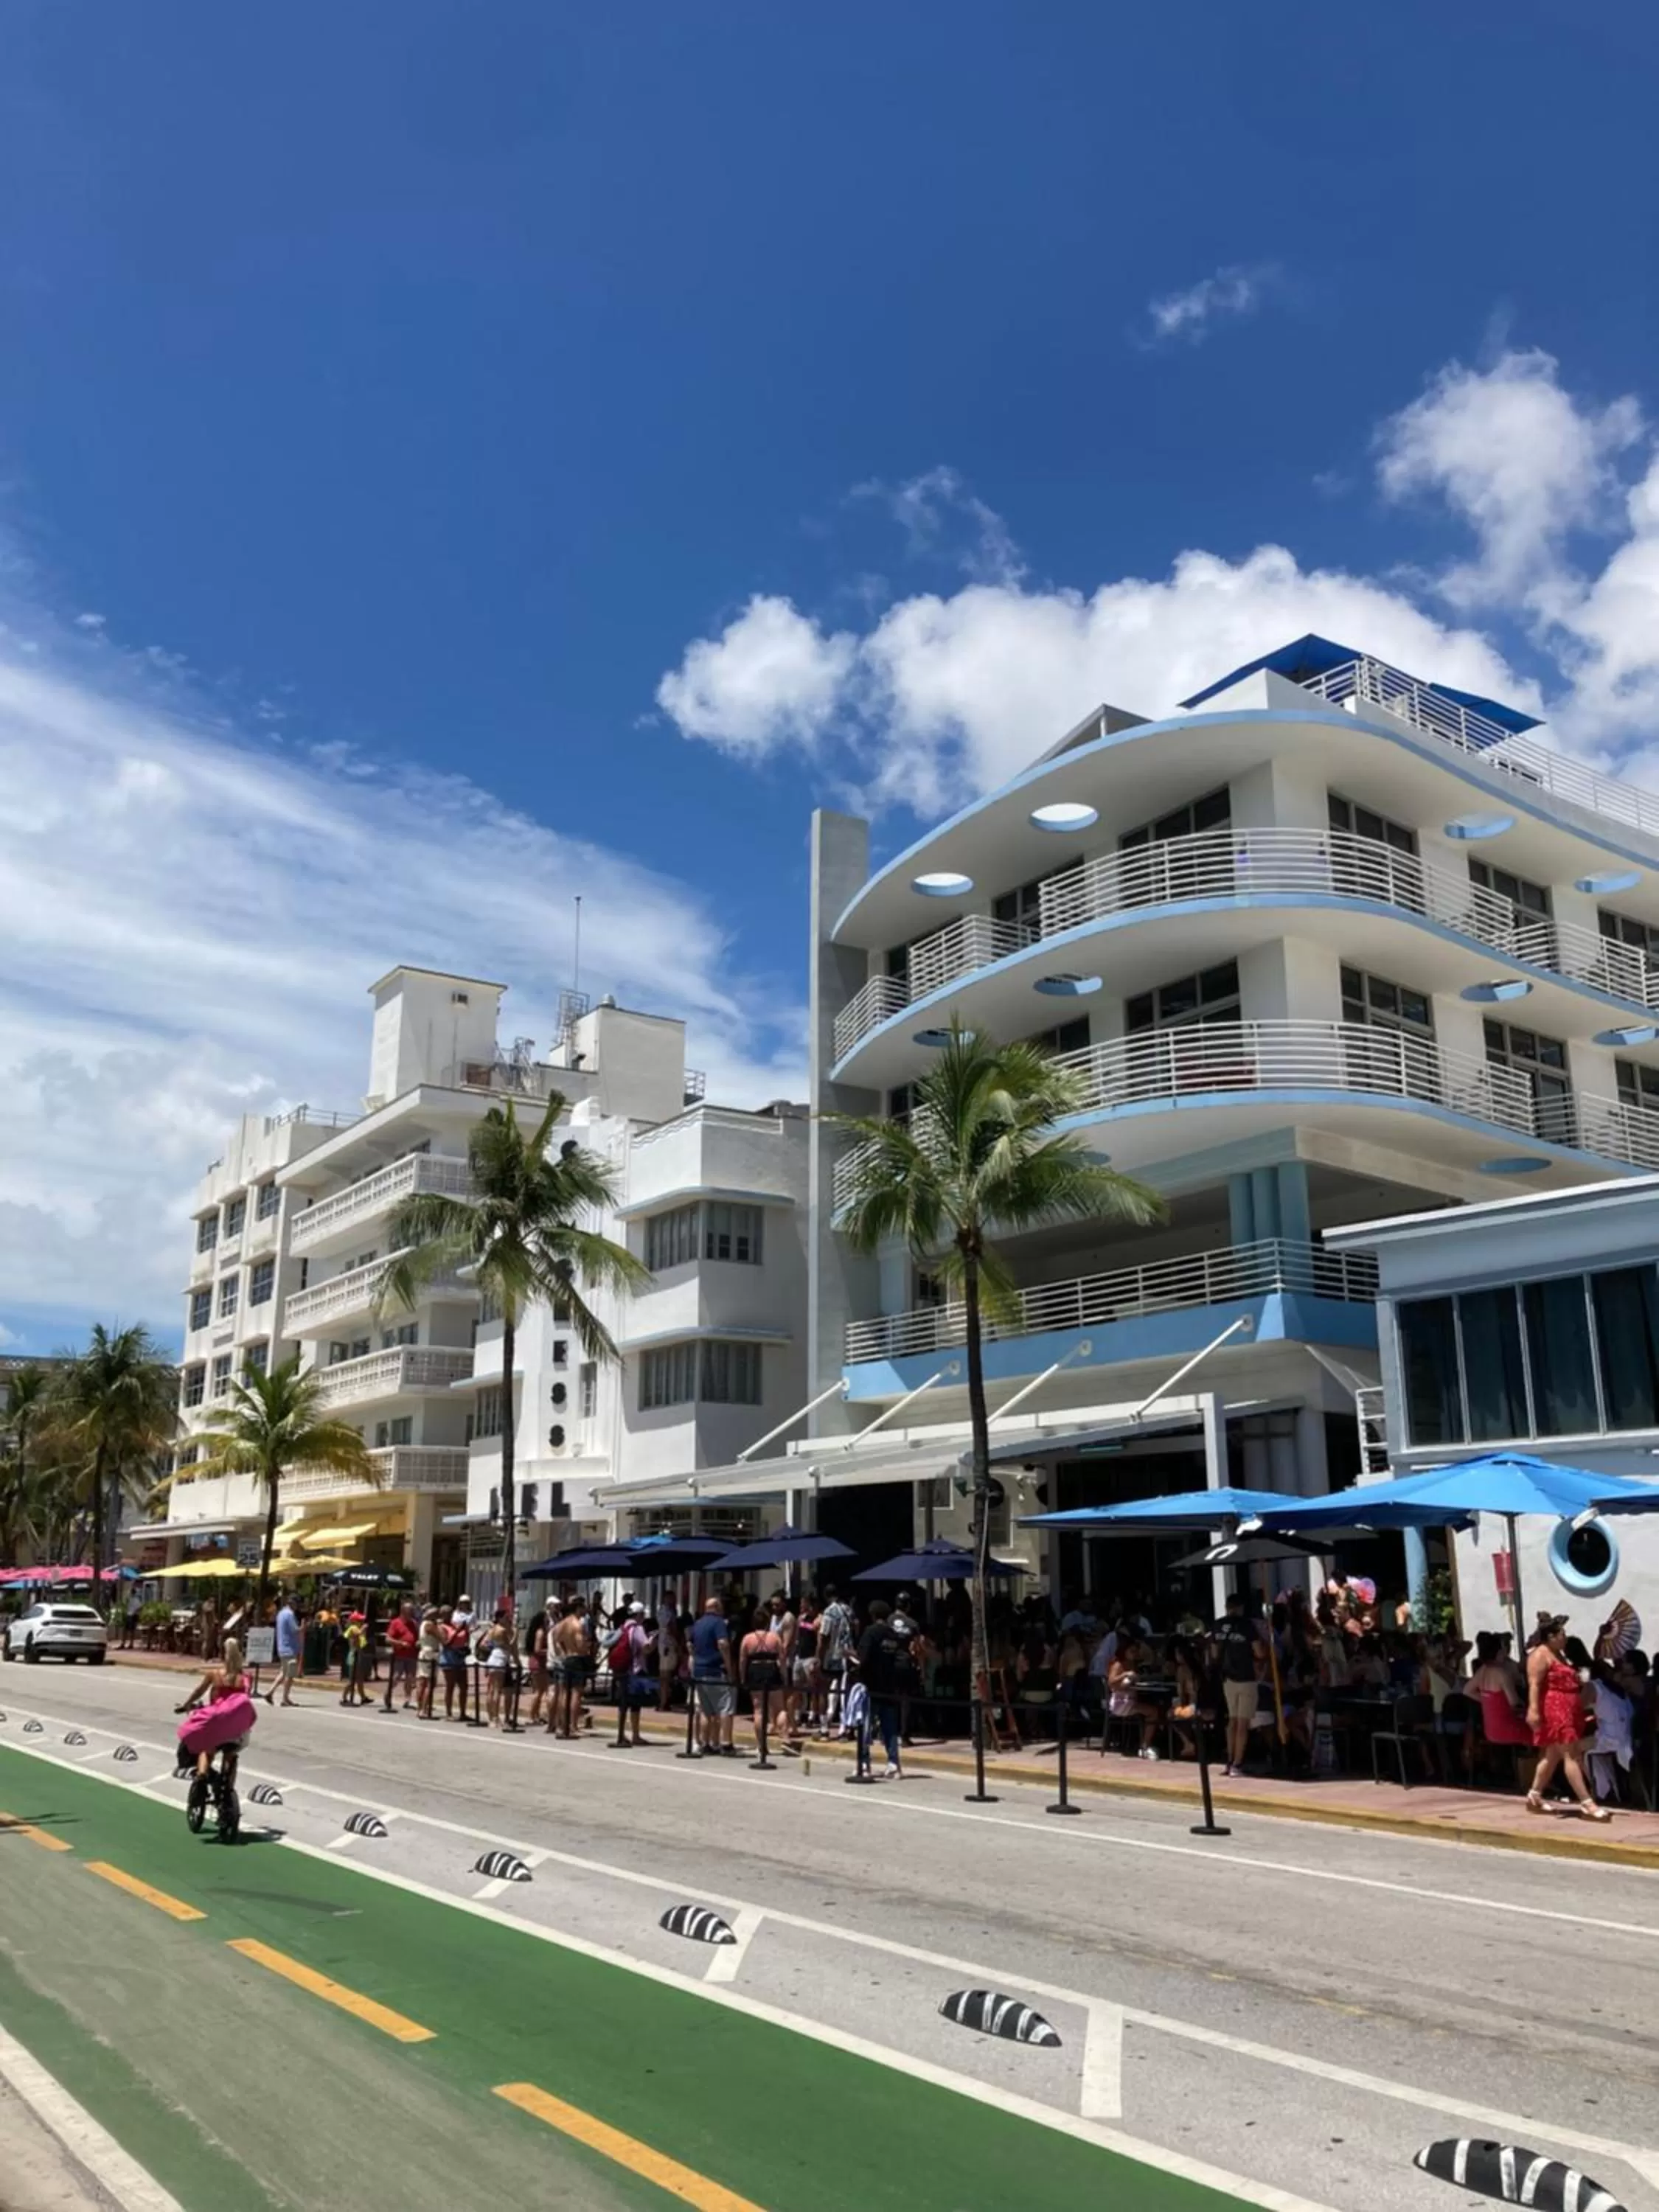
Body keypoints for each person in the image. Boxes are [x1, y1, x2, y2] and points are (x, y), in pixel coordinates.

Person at [1525, 1613, 1611, 1820]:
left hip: (1569, 1707)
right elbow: (1534, 1684)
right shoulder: (1540, 1655)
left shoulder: (1560, 1655)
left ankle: (1535, 1794)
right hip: (1555, 1709)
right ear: (1551, 1637)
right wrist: (1533, 1710)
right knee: (1571, 1754)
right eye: (1561, 1634)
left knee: (1552, 1755)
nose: (1565, 1638)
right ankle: (1586, 1801)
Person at [175, 1635, 254, 1781]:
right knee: (231, 1754)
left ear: (223, 1654)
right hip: (237, 1732)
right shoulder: (246, 1678)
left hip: (216, 1723)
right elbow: (244, 1702)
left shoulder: (215, 1675)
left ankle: (202, 1776)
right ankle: (228, 1789)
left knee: (207, 1750)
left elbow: (199, 1691)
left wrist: (187, 1704)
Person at [855, 1600, 911, 1778]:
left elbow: (863, 1659)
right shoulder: (893, 1635)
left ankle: (864, 1763)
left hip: (871, 1687)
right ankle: (893, 1763)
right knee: (890, 1729)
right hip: (890, 1686)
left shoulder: (870, 1633)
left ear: (872, 1615)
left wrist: (852, 1659)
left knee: (864, 1727)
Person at [1215, 1592, 1264, 1778]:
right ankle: (1238, 1762)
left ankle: (1229, 1760)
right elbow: (1259, 1652)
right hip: (1246, 1678)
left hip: (1228, 1679)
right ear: (1241, 1607)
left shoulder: (1218, 1625)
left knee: (1232, 1721)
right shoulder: (1247, 1626)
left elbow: (1213, 1654)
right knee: (1243, 1723)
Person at [740, 1604, 787, 1757]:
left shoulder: (748, 1639)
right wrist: (784, 1675)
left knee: (758, 1710)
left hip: (755, 1671)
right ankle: (784, 1738)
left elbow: (742, 1660)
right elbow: (782, 1658)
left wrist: (742, 1677)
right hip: (771, 1669)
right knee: (779, 1708)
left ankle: (761, 1745)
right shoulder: (775, 1638)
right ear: (767, 1622)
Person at [690, 1596, 735, 1756]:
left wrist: (696, 1658)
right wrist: (730, 1668)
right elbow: (723, 1644)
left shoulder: (698, 1623)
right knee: (725, 1708)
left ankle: (705, 1742)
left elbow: (690, 1644)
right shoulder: (719, 1623)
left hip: (700, 1670)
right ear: (717, 1607)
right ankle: (726, 1743)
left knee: (705, 1710)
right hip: (716, 1670)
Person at [1107, 1635, 1163, 1759]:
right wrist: (1125, 1674)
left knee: (1152, 1707)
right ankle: (1145, 1746)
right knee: (1153, 1712)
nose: (1134, 1654)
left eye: (1135, 1651)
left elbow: (1148, 1658)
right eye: (1132, 1651)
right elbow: (1111, 1682)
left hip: (1131, 1699)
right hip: (1121, 1703)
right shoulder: (1118, 1665)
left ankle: (1146, 1743)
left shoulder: (1133, 1664)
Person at [264, 1593, 303, 1707]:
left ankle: (270, 1692)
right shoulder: (290, 1615)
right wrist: (303, 1627)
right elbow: (295, 1630)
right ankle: (285, 1698)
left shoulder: (281, 1613)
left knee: (283, 1672)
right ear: (292, 1603)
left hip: (282, 1647)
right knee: (289, 1674)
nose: (298, 1606)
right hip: (290, 1648)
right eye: (297, 1604)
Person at [383, 1600, 419, 1712]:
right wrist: (400, 1643)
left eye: (412, 1612)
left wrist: (418, 1643)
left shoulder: (414, 1623)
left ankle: (407, 1699)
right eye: (409, 1612)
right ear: (403, 1612)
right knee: (396, 1677)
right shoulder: (396, 1623)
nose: (411, 1614)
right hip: (399, 1655)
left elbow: (417, 1637)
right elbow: (388, 1639)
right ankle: (388, 1694)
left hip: (412, 1655)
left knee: (410, 1678)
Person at [439, 1604, 470, 1719]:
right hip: (449, 1658)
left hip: (460, 1657)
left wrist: (465, 1632)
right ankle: (448, 1713)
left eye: (450, 1613)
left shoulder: (455, 1625)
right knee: (450, 1686)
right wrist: (457, 1631)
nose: (449, 1615)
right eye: (446, 1613)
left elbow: (464, 1638)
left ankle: (463, 1713)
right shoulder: (441, 1627)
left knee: (463, 1686)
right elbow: (446, 1643)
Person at [414, 1605, 441, 1719]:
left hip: (423, 1653)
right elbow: (441, 1637)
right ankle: (424, 1708)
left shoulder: (423, 1624)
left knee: (421, 1682)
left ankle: (420, 1708)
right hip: (431, 1654)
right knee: (429, 1683)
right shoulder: (430, 1625)